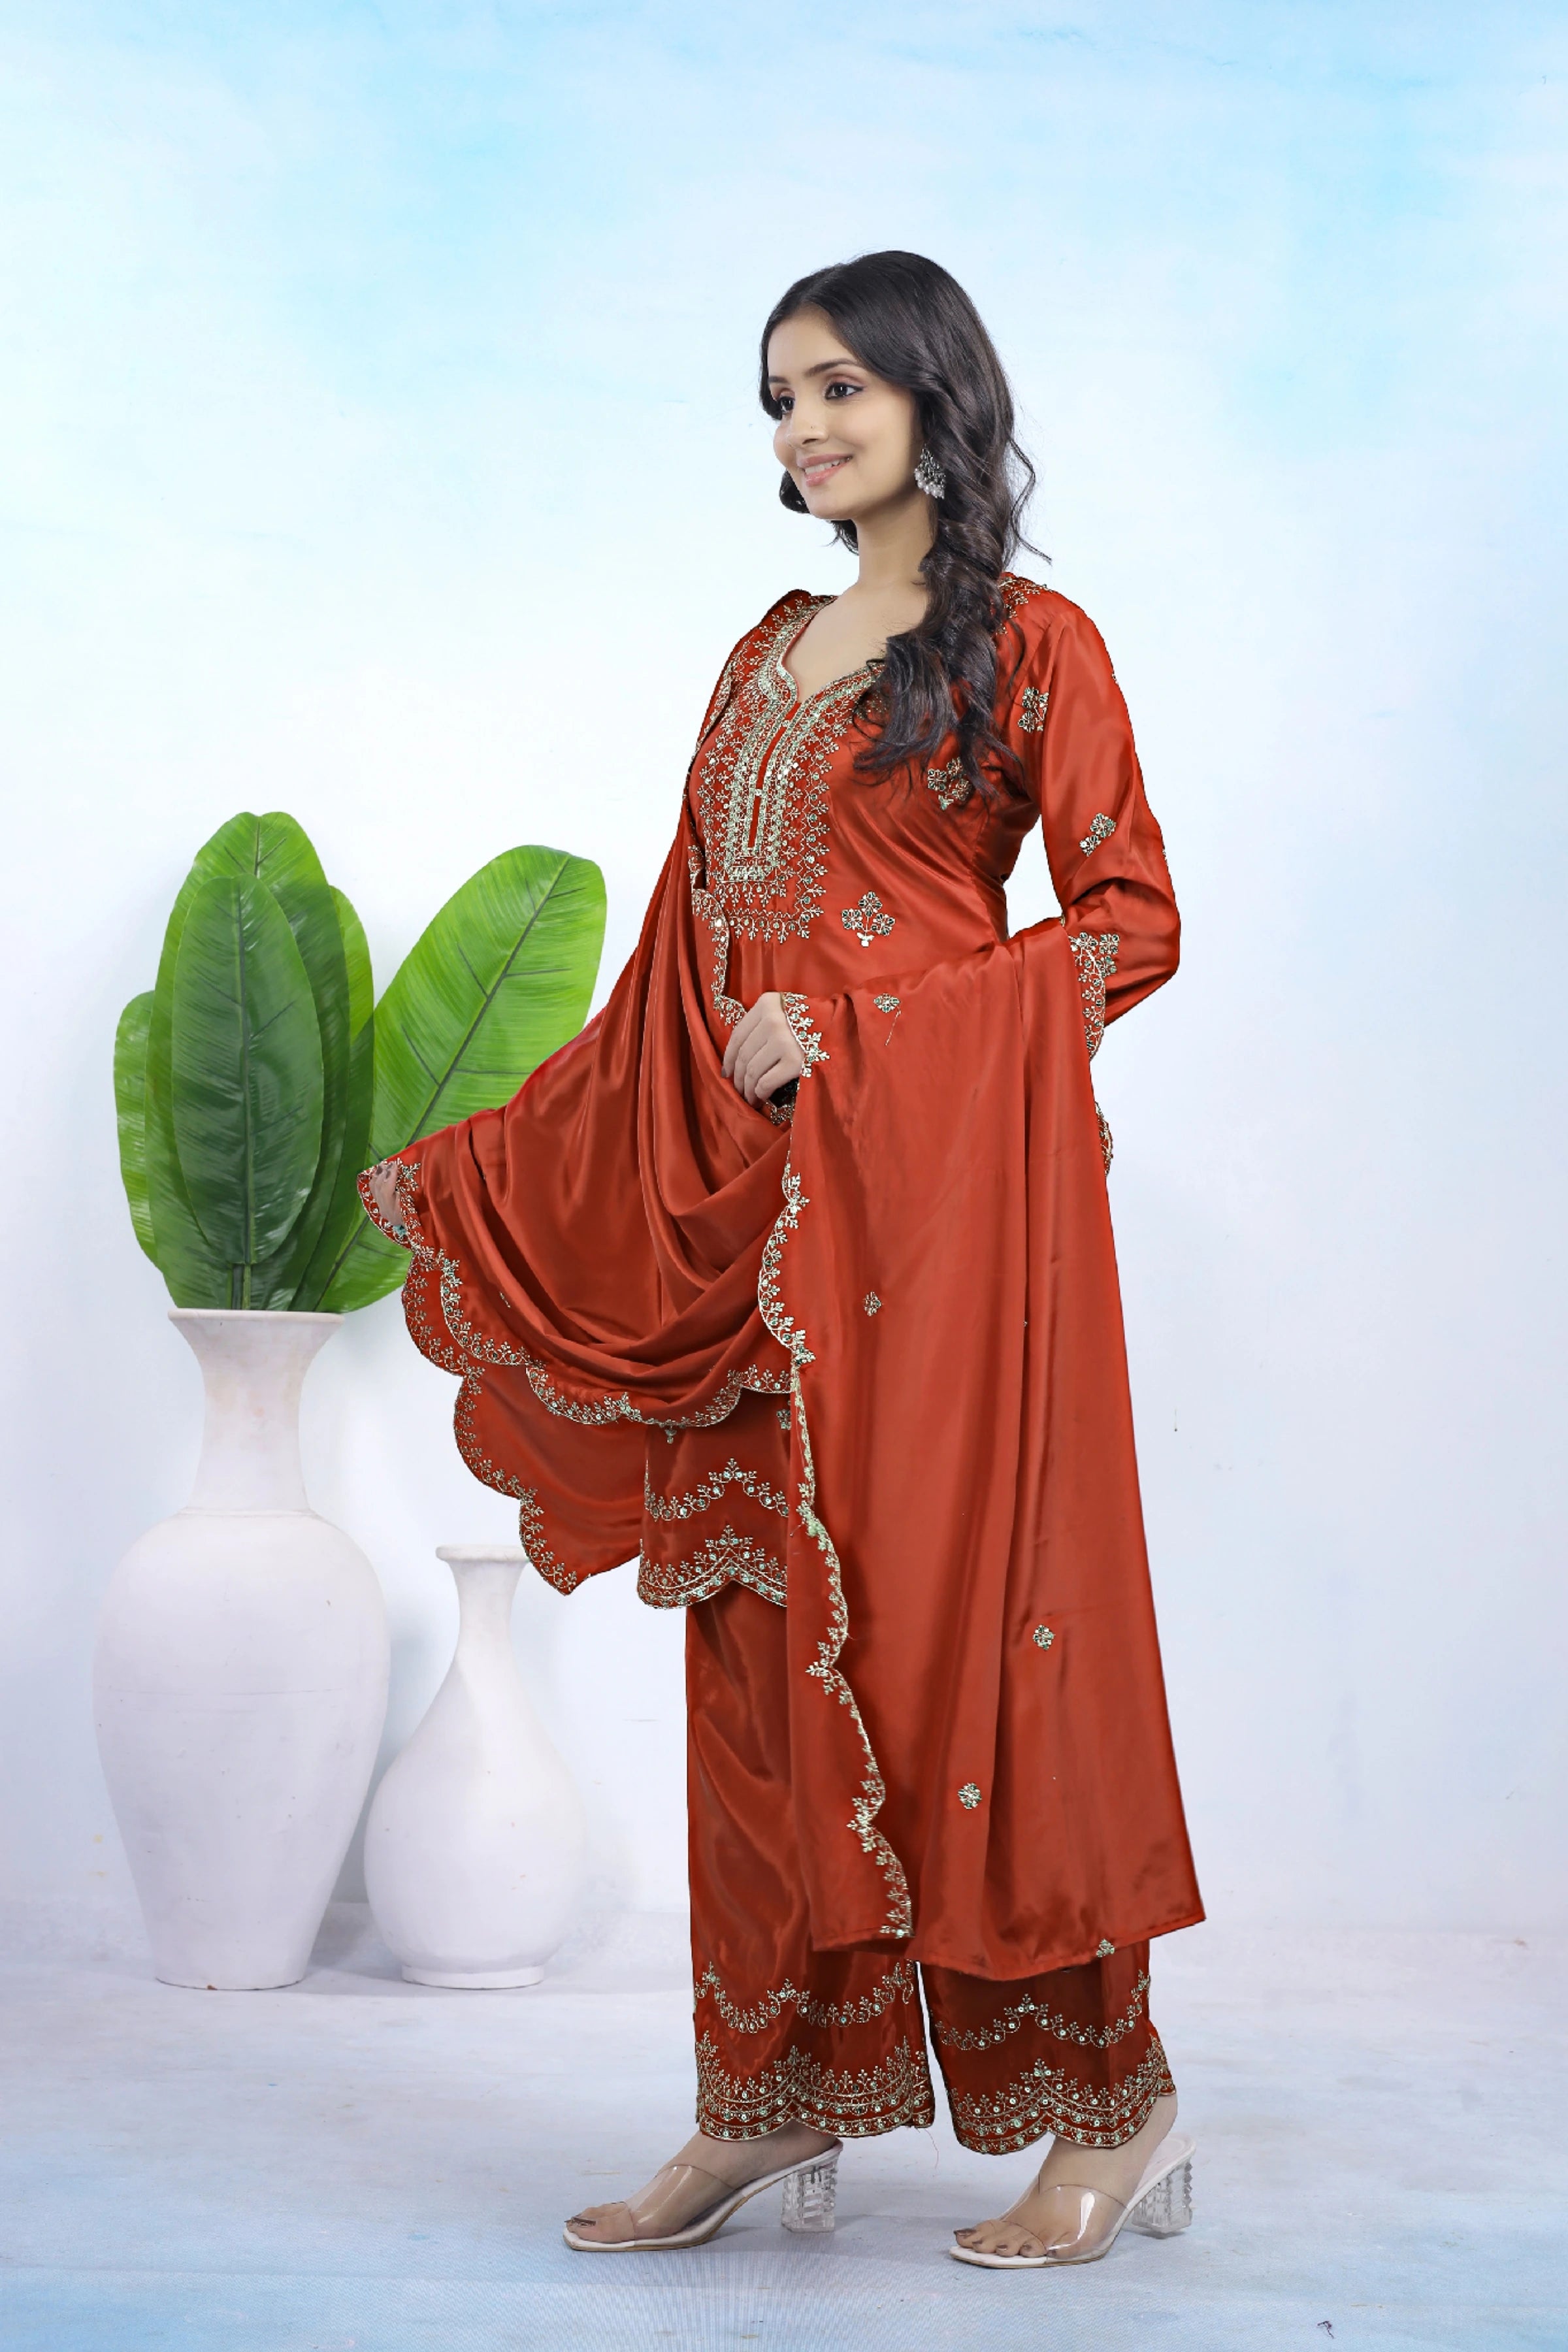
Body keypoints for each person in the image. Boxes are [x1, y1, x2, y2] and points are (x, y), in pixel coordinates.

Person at [363, 250, 1202, 2270]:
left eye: (839, 386)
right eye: (776, 399)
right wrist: (591, 1144)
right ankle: (767, 2107)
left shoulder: (1034, 646)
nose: (806, 428)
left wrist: (880, 1040)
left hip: (928, 1218)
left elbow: (1127, 921)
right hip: (743, 1206)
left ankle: (1118, 2107)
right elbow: (688, 947)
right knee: (757, 1664)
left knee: (962, 1646)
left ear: (934, 394)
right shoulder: (765, 648)